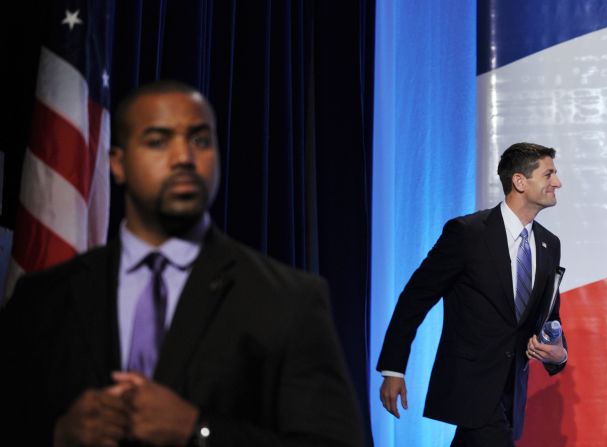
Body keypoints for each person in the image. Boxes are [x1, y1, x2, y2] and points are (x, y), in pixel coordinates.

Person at [0, 80, 363, 447]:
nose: (184, 157)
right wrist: (58, 436)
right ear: (118, 163)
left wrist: (200, 430)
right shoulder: (42, 298)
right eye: (158, 141)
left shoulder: (289, 300)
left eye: (200, 140)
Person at [377, 142, 568, 446]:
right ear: (520, 181)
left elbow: (549, 316)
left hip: (510, 397)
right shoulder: (467, 233)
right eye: (549, 174)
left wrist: (559, 354)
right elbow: (416, 298)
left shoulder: (549, 244)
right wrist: (393, 368)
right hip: (470, 387)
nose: (557, 182)